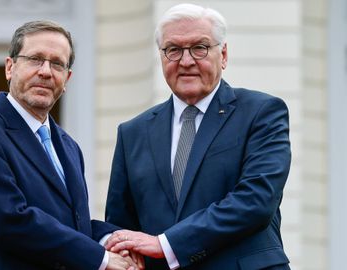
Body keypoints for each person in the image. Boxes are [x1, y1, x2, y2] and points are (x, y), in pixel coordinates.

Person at [104, 3, 291, 270]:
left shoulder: (261, 112)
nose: (186, 61)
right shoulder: (132, 132)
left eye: (199, 47)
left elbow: (256, 201)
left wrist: (166, 244)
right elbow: (122, 224)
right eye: (173, 49)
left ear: (223, 54)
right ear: (161, 56)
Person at [0, 20, 141, 270]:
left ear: (67, 78)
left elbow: (72, 224)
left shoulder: (69, 147)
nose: (46, 71)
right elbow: (7, 221)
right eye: (35, 59)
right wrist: (102, 259)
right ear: (10, 67)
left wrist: (115, 240)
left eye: (57, 64)